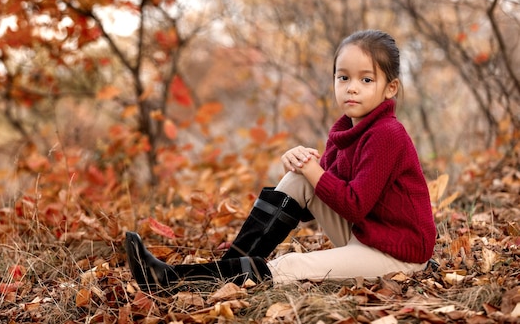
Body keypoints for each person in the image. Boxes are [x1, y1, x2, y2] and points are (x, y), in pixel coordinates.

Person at [125, 29, 437, 292]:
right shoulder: (346, 129)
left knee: (291, 264)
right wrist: (302, 163)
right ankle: (232, 264)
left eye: (366, 80)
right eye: (343, 77)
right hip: (368, 233)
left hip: (397, 254)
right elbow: (315, 197)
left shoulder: (387, 134)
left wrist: (315, 171)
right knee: (299, 179)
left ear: (390, 88)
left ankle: (167, 281)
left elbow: (353, 204)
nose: (351, 87)